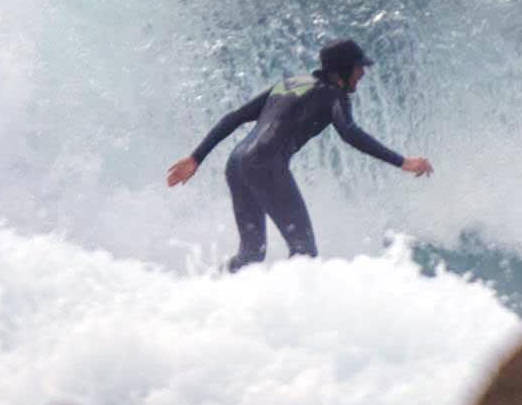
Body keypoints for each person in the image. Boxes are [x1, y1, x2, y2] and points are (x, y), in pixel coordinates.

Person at [168, 37, 432, 269]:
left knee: (251, 254)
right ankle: (283, 318)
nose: (363, 72)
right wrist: (402, 162)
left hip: (237, 163)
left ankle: (210, 287)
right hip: (266, 166)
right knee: (304, 253)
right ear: (343, 70)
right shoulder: (332, 95)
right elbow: (349, 133)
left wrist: (196, 157)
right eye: (359, 66)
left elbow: (235, 117)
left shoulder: (290, 83)